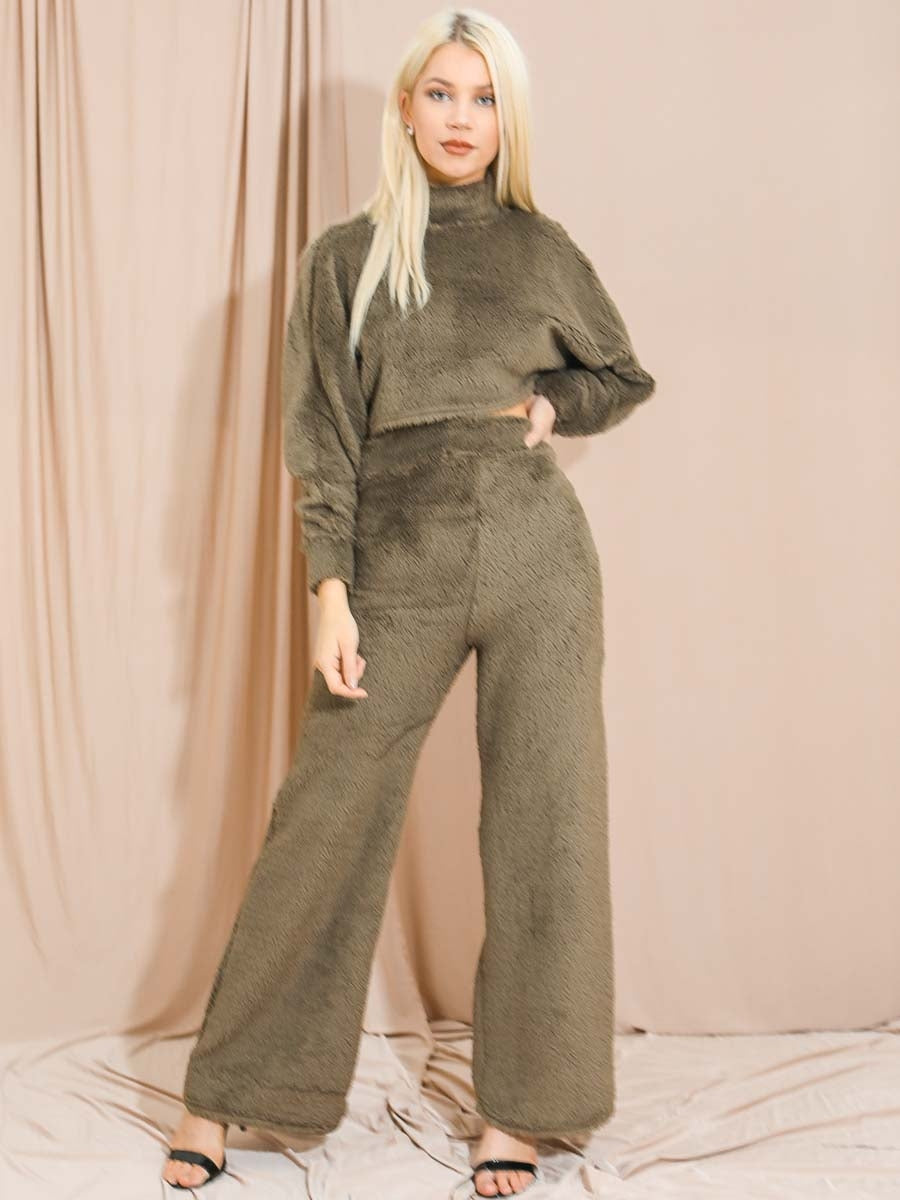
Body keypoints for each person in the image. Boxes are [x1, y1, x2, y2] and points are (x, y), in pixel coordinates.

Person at [162, 6, 656, 1196]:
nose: (461, 119)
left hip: (538, 556)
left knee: (547, 823)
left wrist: (555, 405)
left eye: (484, 99)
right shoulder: (346, 256)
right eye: (442, 93)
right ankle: (230, 1091)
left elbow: (619, 373)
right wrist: (330, 593)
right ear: (405, 107)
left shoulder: (540, 248)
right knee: (326, 815)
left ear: (507, 121)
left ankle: (521, 1112)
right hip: (397, 556)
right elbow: (321, 443)